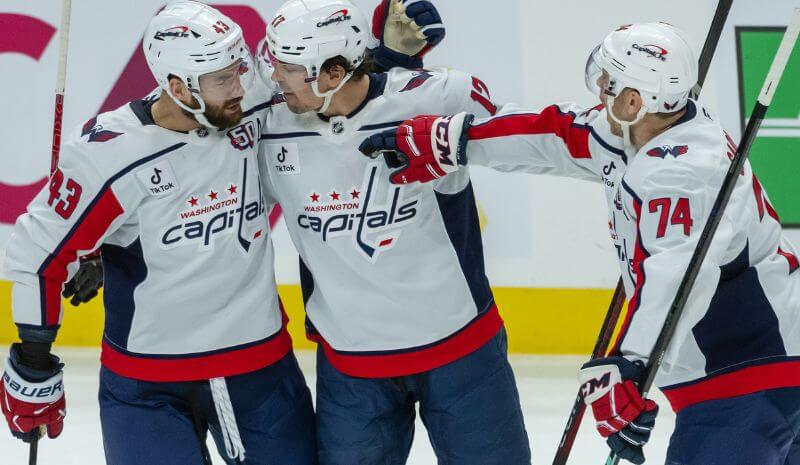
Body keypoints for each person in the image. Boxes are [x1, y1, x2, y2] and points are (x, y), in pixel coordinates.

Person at [360, 21, 800, 465]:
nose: (601, 90)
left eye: (610, 82)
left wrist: (631, 365)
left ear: (634, 101)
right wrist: (458, 140)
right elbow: (552, 135)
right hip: (751, 360)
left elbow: (678, 276)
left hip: (757, 371)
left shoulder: (682, 174)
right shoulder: (639, 131)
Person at [0, 3, 316, 464]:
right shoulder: (111, 154)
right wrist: (33, 359)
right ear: (177, 87)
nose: (240, 88)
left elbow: (343, 97)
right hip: (145, 386)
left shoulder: (257, 110)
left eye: (239, 71)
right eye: (222, 80)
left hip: (258, 373)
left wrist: (394, 54)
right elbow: (37, 254)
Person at [256, 0, 531, 464]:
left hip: (462, 352)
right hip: (352, 367)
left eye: (288, 67)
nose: (274, 78)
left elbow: (527, 142)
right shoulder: (270, 127)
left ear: (333, 72)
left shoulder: (440, 97)